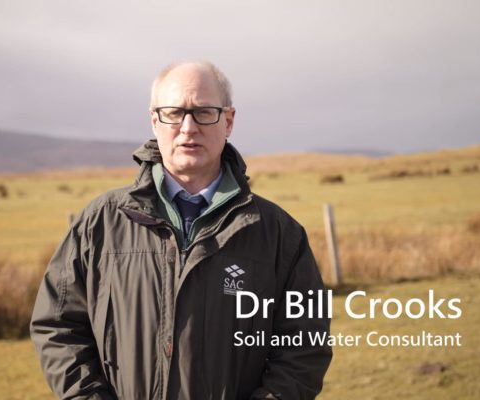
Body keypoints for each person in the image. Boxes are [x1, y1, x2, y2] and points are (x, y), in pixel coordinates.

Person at [30, 61, 332, 399]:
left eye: (204, 112)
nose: (188, 128)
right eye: (174, 113)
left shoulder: (278, 234)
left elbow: (304, 346)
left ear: (228, 121)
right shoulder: (99, 223)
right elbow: (58, 327)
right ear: (155, 120)